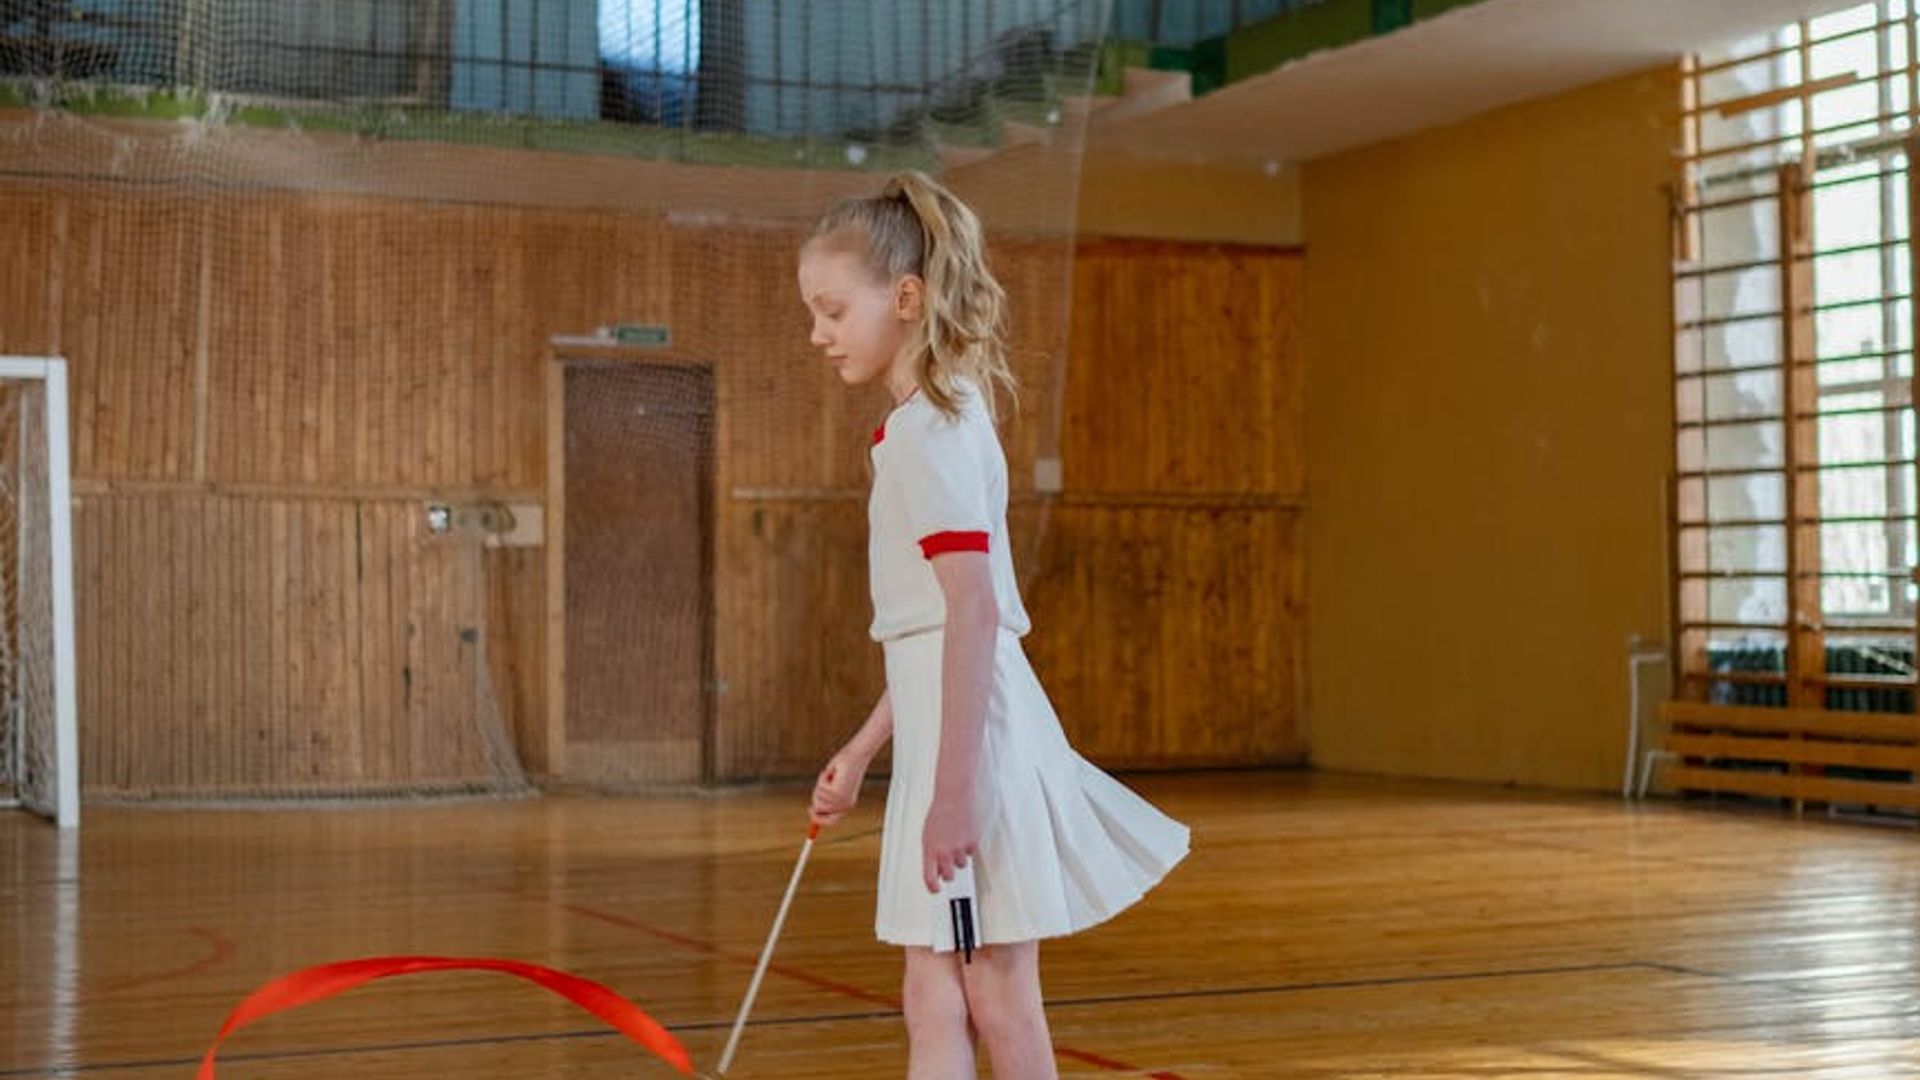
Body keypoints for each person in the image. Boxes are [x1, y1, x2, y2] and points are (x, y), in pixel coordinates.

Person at [798, 170, 1189, 1079]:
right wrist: (863, 750)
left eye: (832, 310)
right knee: (934, 995)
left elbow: (974, 610)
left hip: (971, 755)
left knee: (996, 995)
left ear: (905, 299)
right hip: (946, 745)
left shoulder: (932, 431)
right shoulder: (923, 423)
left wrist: (955, 794)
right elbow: (933, 632)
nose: (818, 333)